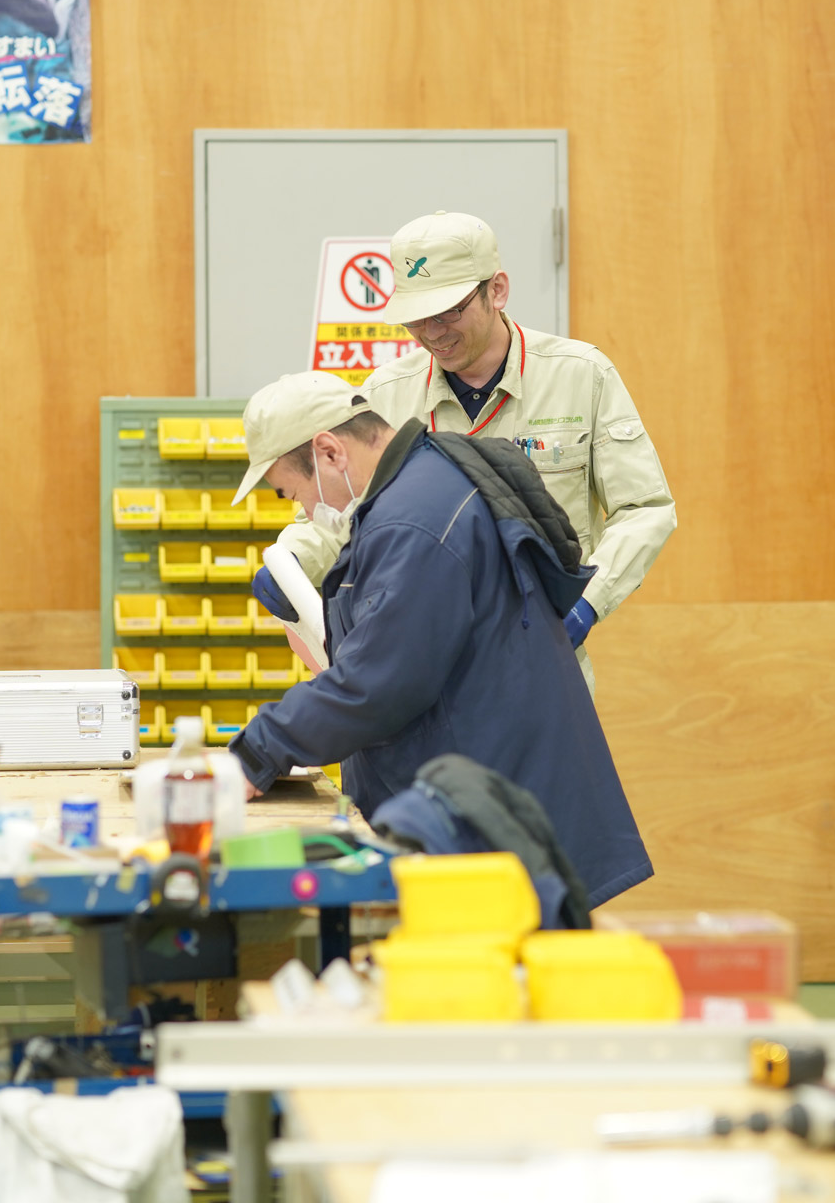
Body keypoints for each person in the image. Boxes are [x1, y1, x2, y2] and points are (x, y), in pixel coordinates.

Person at [225, 372, 652, 907]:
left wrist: (256, 751)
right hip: (491, 801)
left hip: (490, 831)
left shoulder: (412, 522)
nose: (309, 513)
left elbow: (378, 684)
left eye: (294, 493)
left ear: (330, 452)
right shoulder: (429, 478)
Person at [264, 211, 675, 694]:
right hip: (422, 675)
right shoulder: (385, 396)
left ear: (496, 290)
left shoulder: (581, 376)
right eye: (416, 318)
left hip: (543, 672)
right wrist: (291, 561)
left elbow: (645, 508)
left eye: (448, 312)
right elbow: (343, 517)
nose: (432, 332)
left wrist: (588, 604)